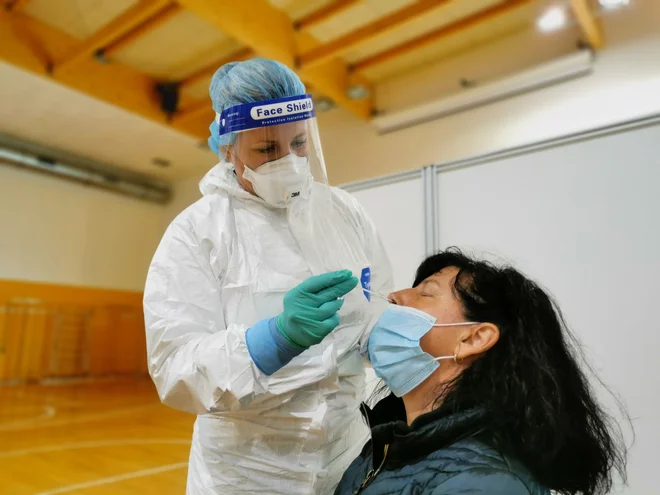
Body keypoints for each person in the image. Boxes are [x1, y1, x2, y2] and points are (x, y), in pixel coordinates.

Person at [143, 58, 393, 494]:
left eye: (298, 143)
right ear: (227, 147)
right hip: (248, 473)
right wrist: (272, 340)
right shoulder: (196, 232)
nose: (290, 161)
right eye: (267, 150)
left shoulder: (342, 212)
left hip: (348, 457)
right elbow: (173, 368)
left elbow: (377, 300)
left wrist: (395, 336)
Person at [336, 248, 628, 495]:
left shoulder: (484, 482)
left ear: (474, 339)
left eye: (425, 293)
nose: (395, 296)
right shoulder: (386, 448)